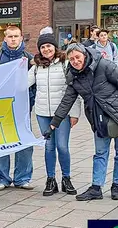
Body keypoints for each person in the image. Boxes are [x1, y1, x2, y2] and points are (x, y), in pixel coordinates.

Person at [50, 44, 118, 201]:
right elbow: (67, 100)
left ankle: (116, 185)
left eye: (78, 57)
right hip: (98, 119)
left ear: (84, 54)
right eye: (71, 59)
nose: (75, 61)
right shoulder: (73, 76)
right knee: (100, 153)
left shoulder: (104, 65)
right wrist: (55, 122)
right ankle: (96, 188)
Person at [29, 32, 81, 197]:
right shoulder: (36, 66)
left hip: (63, 113)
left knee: (62, 147)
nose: (46, 49)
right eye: (42, 47)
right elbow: (22, 83)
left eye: (48, 46)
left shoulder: (65, 64)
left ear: (54, 47)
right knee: (49, 147)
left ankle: (66, 178)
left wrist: (75, 113)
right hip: (43, 113)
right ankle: (50, 179)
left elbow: (74, 89)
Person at [0, 25, 35, 191]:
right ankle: (2, 178)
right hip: (1, 108)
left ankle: (22, 178)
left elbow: (34, 83)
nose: (13, 39)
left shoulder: (29, 58)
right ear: (5, 39)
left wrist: (30, 100)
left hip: (22, 108)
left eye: (16, 36)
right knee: (1, 141)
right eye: (10, 36)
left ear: (21, 38)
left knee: (24, 143)